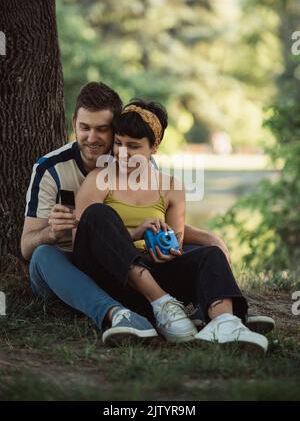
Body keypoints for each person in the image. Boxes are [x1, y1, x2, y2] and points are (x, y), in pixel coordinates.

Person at [21, 81, 274, 345]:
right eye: (85, 127)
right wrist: (52, 231)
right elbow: (62, 239)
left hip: (142, 268)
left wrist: (198, 240)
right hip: (88, 268)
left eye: (103, 130)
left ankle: (225, 321)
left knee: (208, 255)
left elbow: (168, 232)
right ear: (74, 122)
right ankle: (140, 310)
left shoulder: (152, 172)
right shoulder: (63, 172)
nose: (94, 138)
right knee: (70, 235)